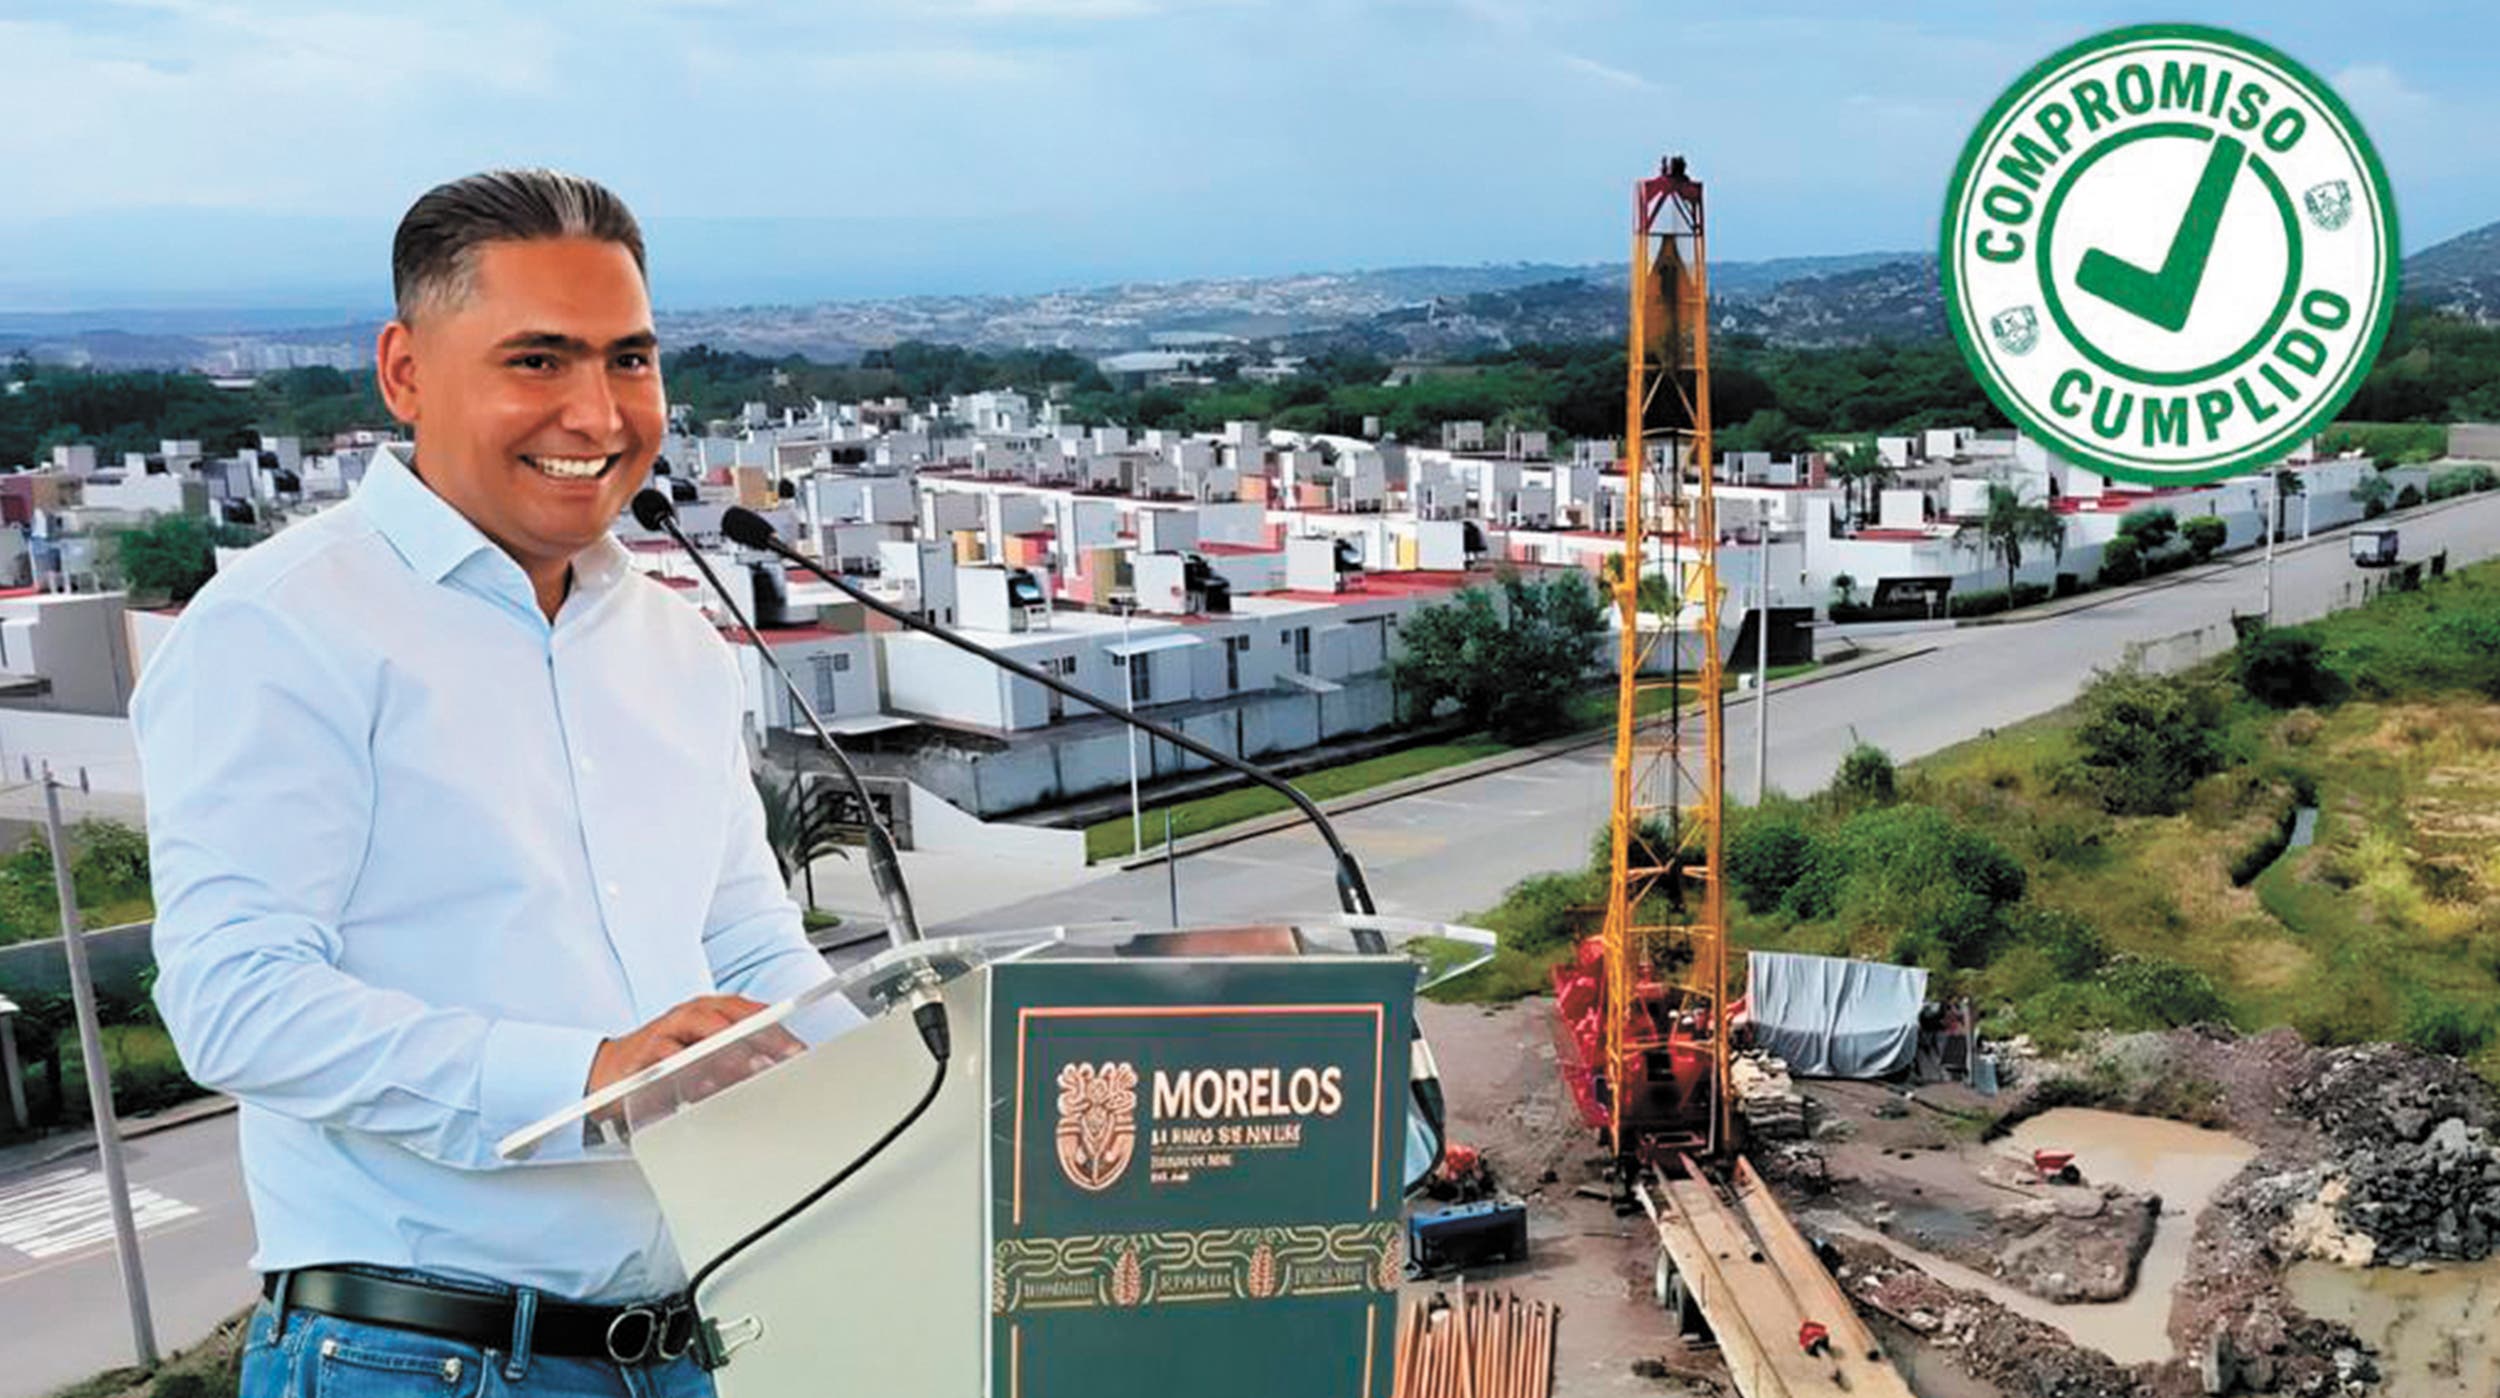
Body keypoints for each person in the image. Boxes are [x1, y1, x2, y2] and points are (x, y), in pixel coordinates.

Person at [134, 169, 846, 1398]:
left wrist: (954, 1087)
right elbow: (235, 1000)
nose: (597, 413)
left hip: (692, 1347)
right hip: (415, 1361)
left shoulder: (673, 641)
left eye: (629, 360)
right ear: (405, 372)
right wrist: (589, 1079)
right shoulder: (283, 626)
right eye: (537, 360)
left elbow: (744, 945)